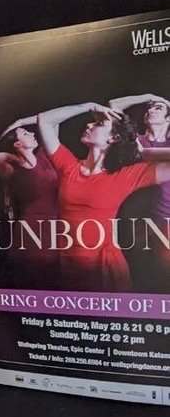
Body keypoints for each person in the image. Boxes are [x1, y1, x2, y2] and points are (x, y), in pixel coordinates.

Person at [36, 102, 170, 291]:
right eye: (92, 122)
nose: (89, 125)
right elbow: (44, 120)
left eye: (98, 124)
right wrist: (89, 106)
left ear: (114, 137)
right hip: (68, 263)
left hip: (103, 268)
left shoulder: (127, 175)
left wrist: (143, 152)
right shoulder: (69, 167)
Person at [108, 94, 170, 290]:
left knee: (163, 275)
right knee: (138, 273)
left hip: (166, 218)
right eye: (148, 108)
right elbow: (113, 105)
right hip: (134, 218)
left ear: (168, 119)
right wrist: (149, 97)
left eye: (158, 108)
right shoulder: (136, 140)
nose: (151, 110)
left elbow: (142, 154)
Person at [0, 124, 60, 288]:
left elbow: (52, 123)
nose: (32, 133)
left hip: (55, 228)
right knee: (31, 281)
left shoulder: (44, 156)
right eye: (25, 133)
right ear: (17, 144)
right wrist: (20, 158)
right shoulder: (13, 170)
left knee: (54, 283)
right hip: (30, 231)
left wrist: (20, 121)